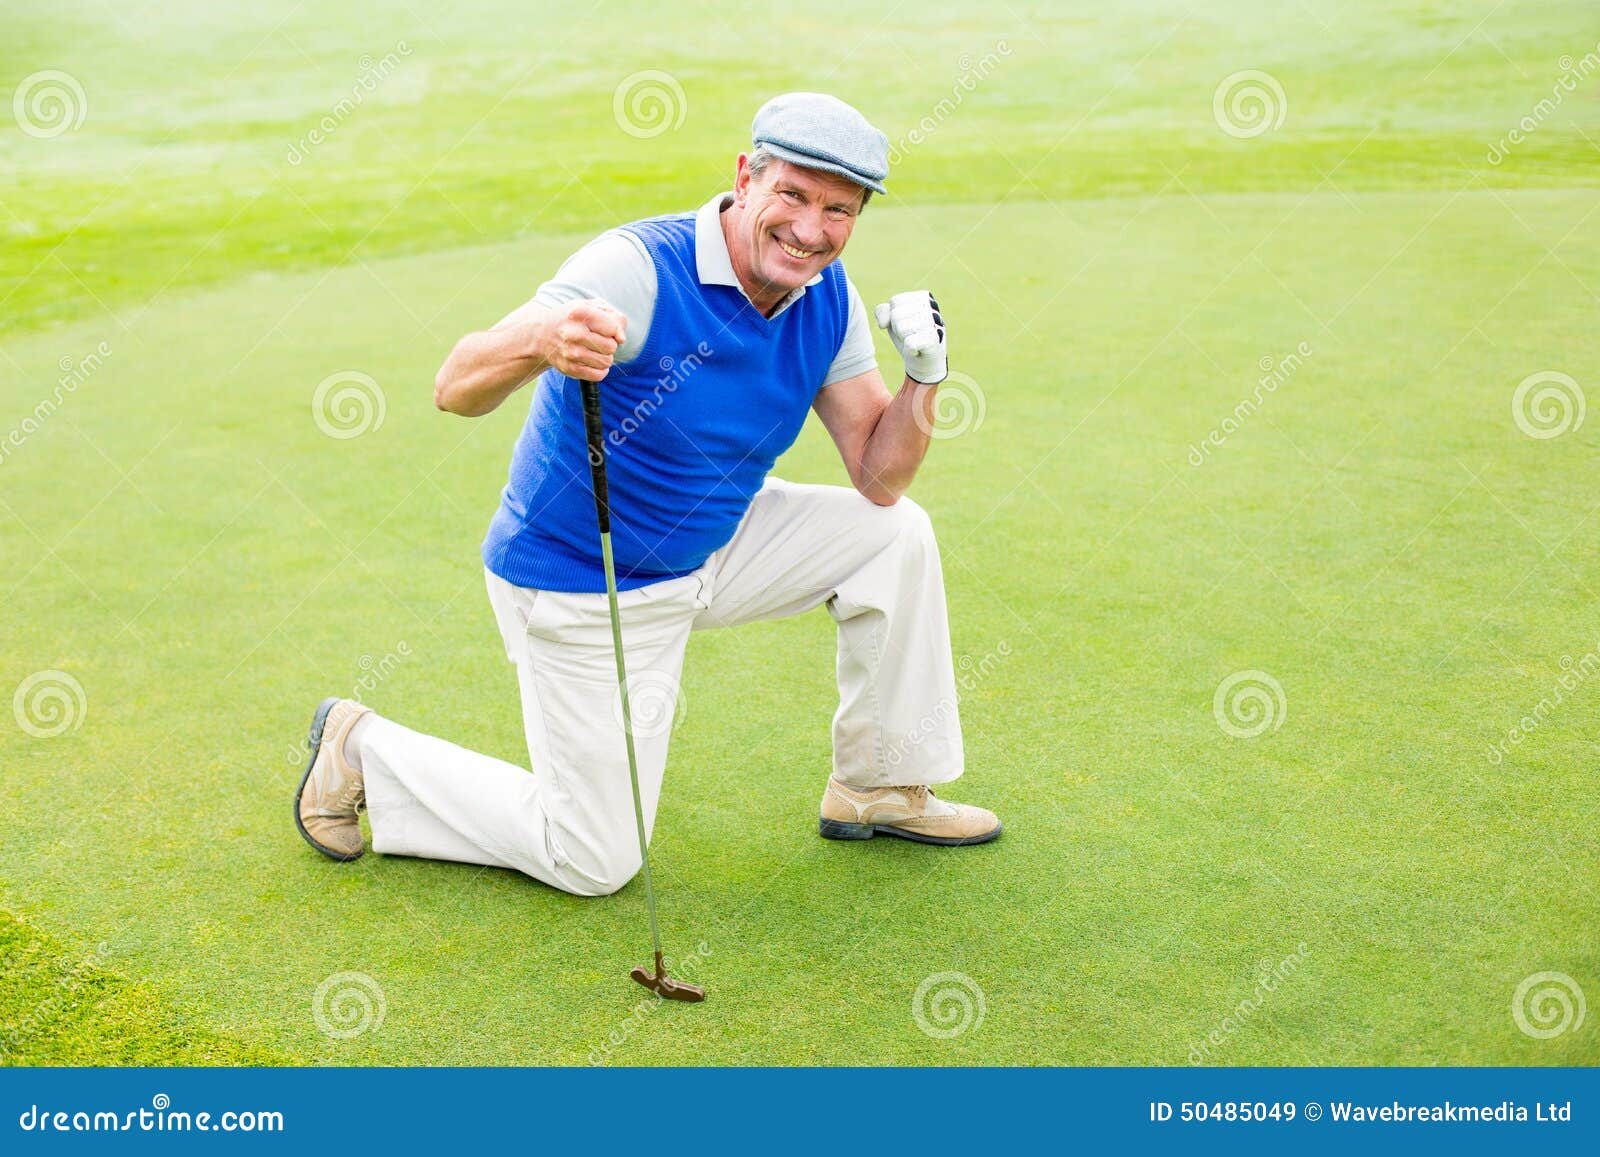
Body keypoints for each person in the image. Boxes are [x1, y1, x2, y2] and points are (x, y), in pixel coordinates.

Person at [292, 92, 1001, 897]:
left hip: (715, 543)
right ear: (745, 178)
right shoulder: (635, 267)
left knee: (895, 532)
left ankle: (878, 783)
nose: (811, 229)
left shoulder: (826, 298)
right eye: (794, 196)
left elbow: (879, 478)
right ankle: (363, 748)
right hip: (585, 579)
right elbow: (456, 386)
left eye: (838, 209)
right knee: (593, 860)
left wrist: (923, 379)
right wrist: (541, 340)